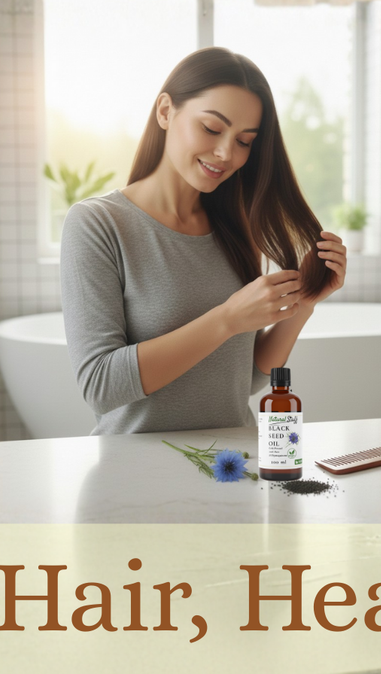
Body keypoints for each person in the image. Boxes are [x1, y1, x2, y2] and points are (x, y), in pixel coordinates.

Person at [59, 47, 349, 435]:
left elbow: (237, 382)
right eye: (212, 129)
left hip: (231, 467)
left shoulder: (234, 228)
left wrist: (304, 306)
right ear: (165, 111)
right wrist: (227, 319)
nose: (226, 152)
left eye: (245, 141)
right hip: (133, 476)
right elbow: (100, 386)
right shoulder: (98, 224)